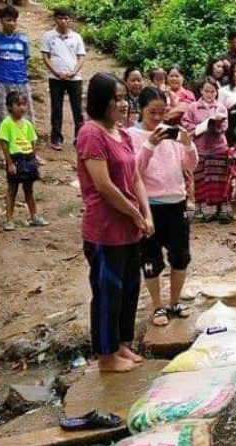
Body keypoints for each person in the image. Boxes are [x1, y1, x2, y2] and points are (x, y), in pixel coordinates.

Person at [77, 72, 153, 373]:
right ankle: (106, 356)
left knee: (129, 289)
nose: (123, 104)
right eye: (116, 99)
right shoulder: (90, 134)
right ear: (100, 101)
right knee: (107, 292)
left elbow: (135, 177)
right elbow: (104, 185)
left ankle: (122, 343)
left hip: (130, 229)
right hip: (105, 230)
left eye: (124, 98)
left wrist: (146, 213)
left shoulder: (122, 134)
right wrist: (135, 214)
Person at [128, 87, 198, 327]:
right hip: (150, 205)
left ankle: (175, 302)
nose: (157, 118)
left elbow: (191, 165)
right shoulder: (132, 135)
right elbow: (134, 171)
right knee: (150, 258)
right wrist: (149, 144)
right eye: (152, 112)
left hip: (176, 201)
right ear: (141, 110)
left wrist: (188, 145)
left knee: (181, 256)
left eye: (162, 112)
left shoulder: (172, 134)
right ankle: (158, 306)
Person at [182, 77, 229, 222]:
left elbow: (225, 126)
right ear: (201, 91)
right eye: (206, 91)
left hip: (218, 147)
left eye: (212, 91)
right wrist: (199, 127)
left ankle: (218, 208)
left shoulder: (220, 107)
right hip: (200, 147)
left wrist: (217, 124)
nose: (209, 94)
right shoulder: (193, 107)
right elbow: (185, 123)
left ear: (217, 92)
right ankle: (198, 207)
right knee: (199, 178)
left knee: (218, 177)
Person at [0, 91, 45, 231]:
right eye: (18, 104)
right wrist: (9, 162)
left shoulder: (28, 124)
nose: (22, 107)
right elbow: (4, 143)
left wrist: (34, 159)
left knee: (29, 189)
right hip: (15, 159)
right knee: (12, 189)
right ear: (10, 106)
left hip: (28, 159)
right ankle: (9, 219)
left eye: (24, 104)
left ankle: (34, 216)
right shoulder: (7, 123)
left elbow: (32, 141)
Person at [40, 7, 86, 151]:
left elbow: (81, 57)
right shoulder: (48, 36)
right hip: (55, 78)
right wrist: (56, 72)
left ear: (70, 20)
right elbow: (45, 57)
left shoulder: (77, 37)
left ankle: (79, 138)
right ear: (55, 19)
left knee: (77, 109)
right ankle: (56, 138)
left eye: (67, 18)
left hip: (75, 78)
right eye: (60, 18)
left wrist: (73, 72)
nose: (64, 21)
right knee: (56, 108)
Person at [0, 6, 34, 134]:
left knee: (24, 116)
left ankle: (23, 146)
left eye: (14, 20)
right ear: (1, 21)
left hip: (20, 82)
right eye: (8, 20)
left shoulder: (23, 40)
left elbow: (25, 59)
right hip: (1, 82)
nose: (12, 23)